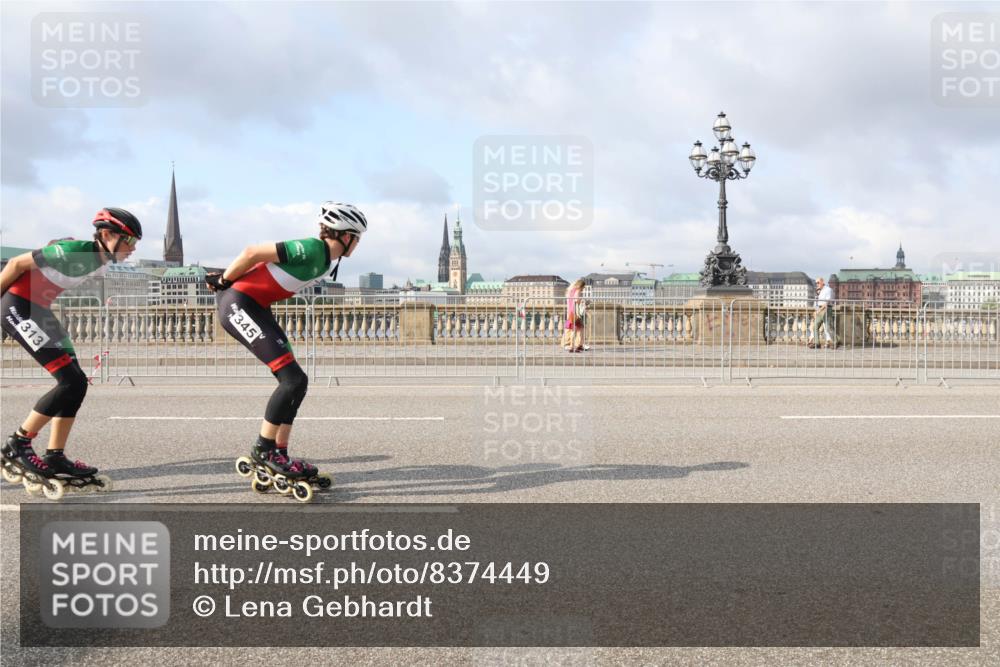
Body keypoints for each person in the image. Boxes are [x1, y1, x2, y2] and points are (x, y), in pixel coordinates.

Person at [208, 202, 366, 502]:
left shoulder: (326, 260)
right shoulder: (311, 248)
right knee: (291, 380)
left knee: (298, 381)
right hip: (238, 304)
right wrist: (223, 280)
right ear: (345, 236)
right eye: (357, 237)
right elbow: (252, 253)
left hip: (255, 306)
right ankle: (263, 449)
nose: (358, 243)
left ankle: (279, 452)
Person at [0, 208, 142, 499]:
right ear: (107, 235)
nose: (133, 249)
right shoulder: (76, 251)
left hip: (40, 311)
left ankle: (55, 455)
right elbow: (16, 263)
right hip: (19, 307)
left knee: (77, 382)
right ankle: (18, 444)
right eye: (129, 241)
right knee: (69, 381)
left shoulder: (101, 261)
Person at [809, 276, 838, 349]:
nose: (817, 284)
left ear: (823, 282)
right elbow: (818, 303)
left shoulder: (828, 290)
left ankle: (836, 342)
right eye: (816, 283)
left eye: (818, 282)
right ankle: (817, 343)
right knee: (815, 326)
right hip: (820, 310)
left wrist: (819, 310)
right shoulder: (820, 291)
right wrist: (816, 311)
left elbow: (827, 302)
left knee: (828, 328)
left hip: (826, 310)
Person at [561, 278, 589, 352]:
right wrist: (584, 302)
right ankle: (574, 346)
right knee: (577, 329)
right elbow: (577, 300)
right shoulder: (578, 291)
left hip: (570, 312)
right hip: (576, 312)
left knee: (573, 328)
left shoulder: (570, 290)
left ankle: (575, 344)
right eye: (583, 287)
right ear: (581, 286)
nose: (583, 289)